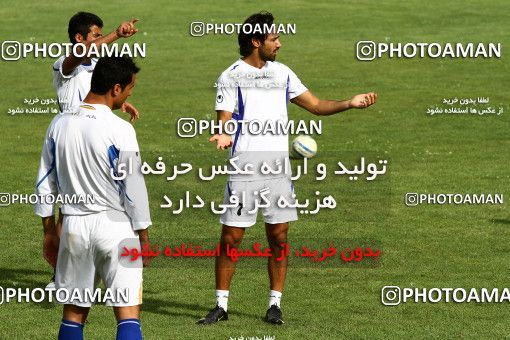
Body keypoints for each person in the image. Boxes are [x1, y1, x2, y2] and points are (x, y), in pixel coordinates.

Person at [199, 11, 377, 325]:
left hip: (278, 172)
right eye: (273, 39)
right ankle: (220, 305)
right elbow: (223, 115)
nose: (279, 44)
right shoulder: (231, 75)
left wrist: (349, 103)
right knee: (231, 238)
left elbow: (318, 106)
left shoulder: (282, 73)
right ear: (256, 42)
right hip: (244, 169)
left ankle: (274, 306)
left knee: (279, 237)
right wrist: (224, 132)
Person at [35, 56, 151, 340]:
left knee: (74, 314)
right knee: (127, 313)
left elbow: (45, 184)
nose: (128, 95)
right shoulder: (121, 129)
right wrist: (144, 237)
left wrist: (50, 231)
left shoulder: (59, 124)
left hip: (74, 227)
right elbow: (133, 189)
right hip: (117, 228)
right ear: (115, 88)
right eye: (128, 90)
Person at [46, 12, 141, 287]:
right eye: (96, 35)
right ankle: (60, 276)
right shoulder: (65, 65)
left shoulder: (96, 66)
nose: (100, 40)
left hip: (97, 140)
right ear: (79, 38)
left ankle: (94, 269)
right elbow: (81, 54)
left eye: (100, 35)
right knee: (69, 209)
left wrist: (121, 103)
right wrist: (116, 35)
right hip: (71, 140)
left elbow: (99, 92)